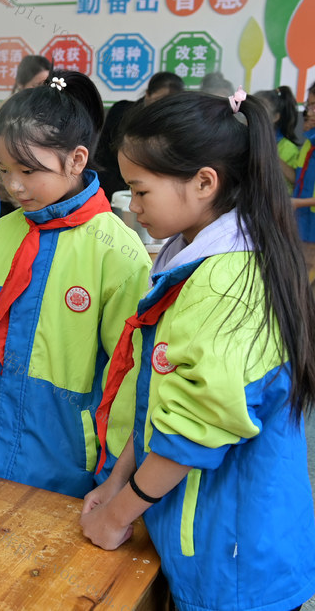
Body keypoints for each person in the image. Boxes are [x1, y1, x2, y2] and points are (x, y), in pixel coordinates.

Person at [80, 90, 315, 611]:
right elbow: (161, 401)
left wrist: (117, 516)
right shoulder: (190, 254)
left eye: (140, 192)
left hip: (235, 560)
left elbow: (193, 428)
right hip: (205, 538)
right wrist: (117, 483)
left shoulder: (227, 281)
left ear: (205, 183)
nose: (133, 208)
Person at [0, 70, 151, 498]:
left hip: (63, 464)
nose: (14, 186)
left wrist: (112, 471)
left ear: (76, 160)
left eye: (29, 171)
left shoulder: (117, 253)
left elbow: (128, 375)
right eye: (4, 169)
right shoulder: (1, 236)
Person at [96, 72, 185, 200]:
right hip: (113, 186)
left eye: (170, 103)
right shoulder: (121, 112)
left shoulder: (175, 124)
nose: (162, 107)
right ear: (147, 94)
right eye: (158, 101)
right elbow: (105, 155)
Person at [254, 86, 303, 188]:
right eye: (252, 107)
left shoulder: (287, 147)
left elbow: (295, 179)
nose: (254, 113)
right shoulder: (244, 138)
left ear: (275, 117)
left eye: (261, 109)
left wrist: (270, 153)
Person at [291, 82, 315, 262]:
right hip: (302, 221)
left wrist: (298, 203)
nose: (309, 112)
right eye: (309, 105)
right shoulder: (309, 142)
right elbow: (297, 179)